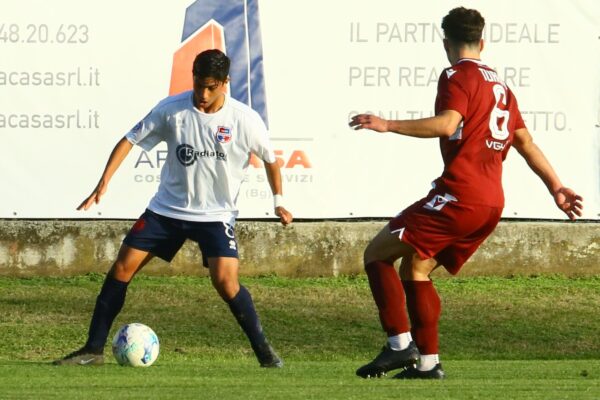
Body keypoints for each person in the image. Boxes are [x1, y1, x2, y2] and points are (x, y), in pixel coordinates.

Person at [348, 7, 583, 379]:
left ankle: (399, 346)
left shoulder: (456, 75)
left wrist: (387, 124)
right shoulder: (501, 86)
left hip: (460, 196)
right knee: (417, 268)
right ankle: (428, 364)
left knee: (376, 254)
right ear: (482, 41)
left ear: (446, 43)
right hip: (491, 204)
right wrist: (556, 186)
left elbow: (447, 124)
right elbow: (525, 142)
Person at [54, 49, 292, 367]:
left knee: (226, 281)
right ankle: (92, 349)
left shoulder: (244, 120)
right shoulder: (172, 109)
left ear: (224, 83)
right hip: (166, 210)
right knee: (122, 268)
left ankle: (265, 353)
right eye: (197, 85)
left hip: (215, 215)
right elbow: (129, 140)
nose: (202, 94)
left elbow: (271, 161)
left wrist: (279, 202)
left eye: (210, 87)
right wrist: (104, 182)